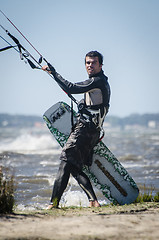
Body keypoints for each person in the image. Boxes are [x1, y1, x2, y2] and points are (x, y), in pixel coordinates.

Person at [42, 51, 111, 208]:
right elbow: (96, 104)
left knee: (65, 162)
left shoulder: (96, 81)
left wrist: (53, 73)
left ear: (100, 65)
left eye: (93, 63)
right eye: (87, 62)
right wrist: (83, 104)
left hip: (84, 130)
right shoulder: (101, 83)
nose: (90, 65)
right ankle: (93, 200)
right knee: (73, 167)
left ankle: (53, 204)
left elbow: (70, 87)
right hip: (93, 131)